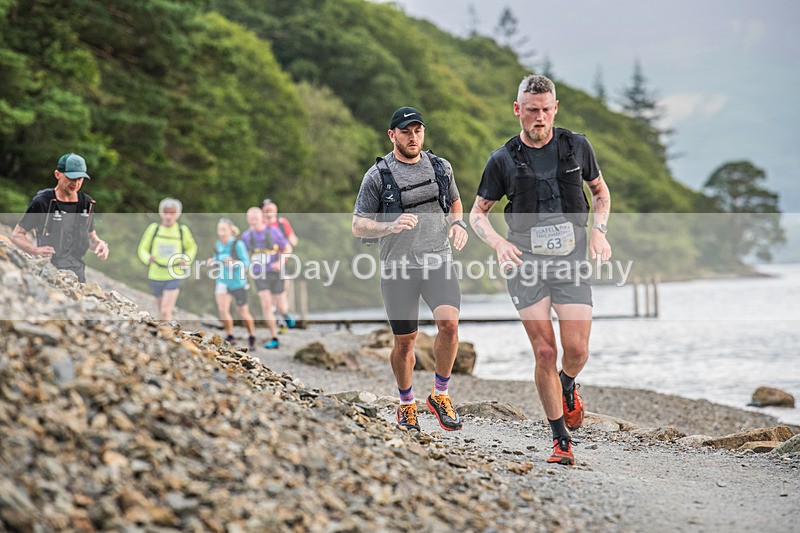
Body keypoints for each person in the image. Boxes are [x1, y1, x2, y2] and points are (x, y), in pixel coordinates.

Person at [469, 75, 612, 465]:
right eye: (532, 110)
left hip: (571, 261)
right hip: (525, 264)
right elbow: (477, 213)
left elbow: (600, 191)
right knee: (545, 351)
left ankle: (568, 385)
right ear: (518, 109)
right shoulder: (502, 159)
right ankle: (559, 439)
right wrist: (498, 243)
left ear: (555, 108)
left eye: (547, 109)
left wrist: (599, 232)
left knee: (577, 351)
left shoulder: (577, 146)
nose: (540, 117)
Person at [352, 106, 469, 432]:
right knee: (406, 342)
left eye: (417, 130)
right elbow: (358, 225)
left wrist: (458, 225)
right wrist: (389, 226)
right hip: (398, 268)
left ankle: (440, 394)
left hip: (438, 260)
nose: (413, 136)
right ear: (392, 135)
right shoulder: (377, 176)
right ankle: (406, 404)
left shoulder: (441, 167)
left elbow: (456, 202)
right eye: (405, 131)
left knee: (449, 324)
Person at [12, 153, 109, 282]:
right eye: (71, 178)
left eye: (80, 178)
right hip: (47, 273)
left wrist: (100, 244)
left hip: (77, 276)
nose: (76, 183)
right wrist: (35, 250)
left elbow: (90, 236)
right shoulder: (42, 202)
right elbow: (17, 234)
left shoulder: (86, 203)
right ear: (58, 174)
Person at [137, 198, 198, 322]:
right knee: (161, 311)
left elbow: (192, 247)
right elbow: (142, 248)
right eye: (166, 213)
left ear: (178, 214)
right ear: (161, 213)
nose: (169, 216)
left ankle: (169, 337)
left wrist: (186, 259)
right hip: (155, 273)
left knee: (166, 310)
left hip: (174, 274)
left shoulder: (182, 230)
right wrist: (148, 258)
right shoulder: (154, 229)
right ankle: (166, 334)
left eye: (172, 213)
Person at [241, 207, 289, 349]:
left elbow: (287, 248)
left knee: (280, 305)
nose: (254, 219)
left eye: (256, 216)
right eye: (251, 217)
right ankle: (274, 337)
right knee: (266, 304)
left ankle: (285, 315)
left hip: (274, 271)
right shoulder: (246, 236)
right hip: (259, 273)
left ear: (262, 217)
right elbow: (244, 255)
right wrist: (245, 267)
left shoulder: (273, 231)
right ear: (247, 219)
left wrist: (280, 263)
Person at [208, 217, 256, 350]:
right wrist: (212, 262)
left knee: (243, 311)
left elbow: (246, 263)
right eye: (219, 229)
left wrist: (234, 263)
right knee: (223, 309)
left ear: (230, 230)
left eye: (224, 229)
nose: (221, 232)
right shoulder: (218, 244)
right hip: (223, 281)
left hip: (238, 282)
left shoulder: (237, 244)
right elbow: (216, 258)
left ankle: (251, 336)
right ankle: (230, 336)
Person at [262, 199, 298, 331]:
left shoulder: (282, 223)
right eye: (266, 210)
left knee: (282, 293)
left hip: (282, 263)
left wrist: (285, 241)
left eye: (271, 210)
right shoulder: (260, 226)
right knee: (269, 297)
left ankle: (282, 318)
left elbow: (293, 241)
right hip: (265, 265)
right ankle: (278, 323)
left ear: (276, 210)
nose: (269, 213)